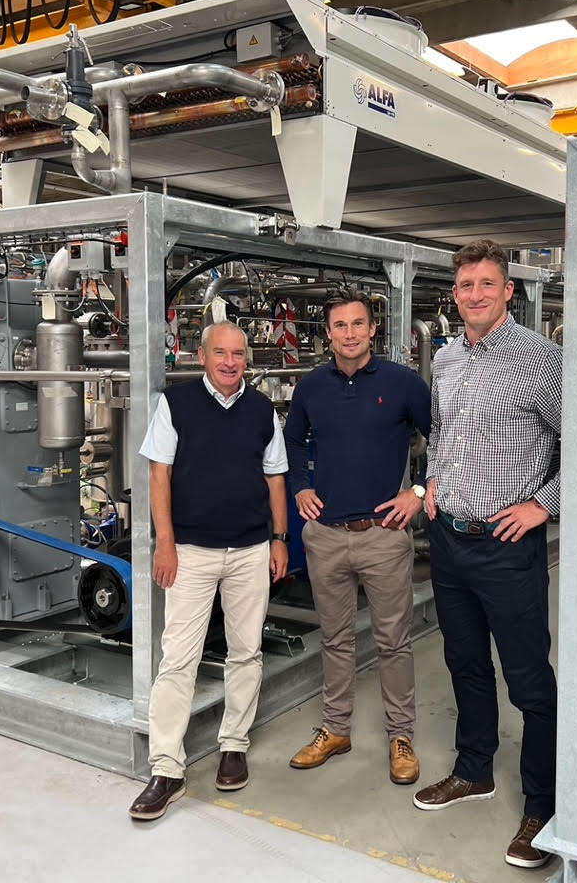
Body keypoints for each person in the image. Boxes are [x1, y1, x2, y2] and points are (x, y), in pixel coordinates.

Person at [413, 241, 577, 870]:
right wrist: (432, 483)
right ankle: (475, 771)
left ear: (508, 292)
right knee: (465, 663)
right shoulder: (446, 359)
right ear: (455, 293)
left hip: (507, 546)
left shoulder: (542, 360)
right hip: (448, 539)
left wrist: (543, 506)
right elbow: (444, 433)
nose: (474, 293)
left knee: (530, 680)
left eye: (486, 284)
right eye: (465, 283)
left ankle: (543, 804)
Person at [129, 321, 289, 822]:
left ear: (247, 359)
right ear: (201, 356)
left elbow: (276, 477)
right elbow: (160, 476)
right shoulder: (175, 405)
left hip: (249, 550)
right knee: (178, 658)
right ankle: (166, 769)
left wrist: (280, 540)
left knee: (246, 651)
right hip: (192, 552)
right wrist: (166, 545)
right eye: (220, 353)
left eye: (238, 354)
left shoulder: (264, 410)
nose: (229, 362)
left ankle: (234, 744)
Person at [284, 288, 432, 785]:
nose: (349, 333)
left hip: (383, 535)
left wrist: (418, 491)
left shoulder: (403, 382)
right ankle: (336, 728)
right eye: (340, 326)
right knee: (336, 639)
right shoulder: (310, 388)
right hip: (325, 536)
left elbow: (447, 440)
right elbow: (292, 442)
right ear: (328, 334)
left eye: (358, 324)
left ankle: (401, 735)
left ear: (373, 330)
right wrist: (301, 487)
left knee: (394, 642)